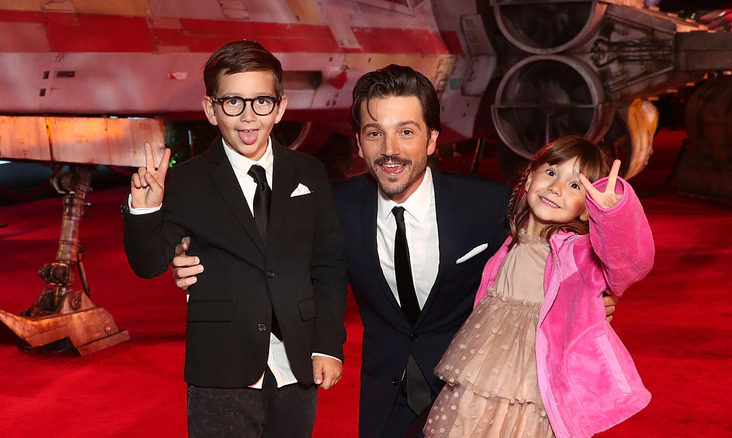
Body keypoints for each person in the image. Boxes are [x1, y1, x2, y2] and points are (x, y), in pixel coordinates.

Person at [170, 65, 618, 438]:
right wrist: (192, 255)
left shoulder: (488, 204)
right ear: (359, 143)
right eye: (374, 133)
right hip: (384, 396)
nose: (390, 151)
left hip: (472, 394)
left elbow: (555, 240)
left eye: (407, 132)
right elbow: (269, 253)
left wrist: (591, 295)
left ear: (432, 140)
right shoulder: (331, 204)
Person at [122, 40, 347, 437]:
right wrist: (145, 210)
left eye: (261, 101)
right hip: (220, 366)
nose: (248, 116)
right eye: (233, 103)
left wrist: (327, 344)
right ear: (211, 109)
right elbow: (149, 264)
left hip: (296, 362)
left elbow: (328, 264)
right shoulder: (188, 182)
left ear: (280, 106)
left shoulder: (309, 173)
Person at [423, 136, 654, 437]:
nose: (557, 188)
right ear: (530, 176)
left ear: (587, 209)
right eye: (551, 172)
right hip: (485, 367)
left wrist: (611, 216)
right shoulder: (506, 240)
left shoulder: (577, 254)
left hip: (536, 383)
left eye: (575, 186)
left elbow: (631, 266)